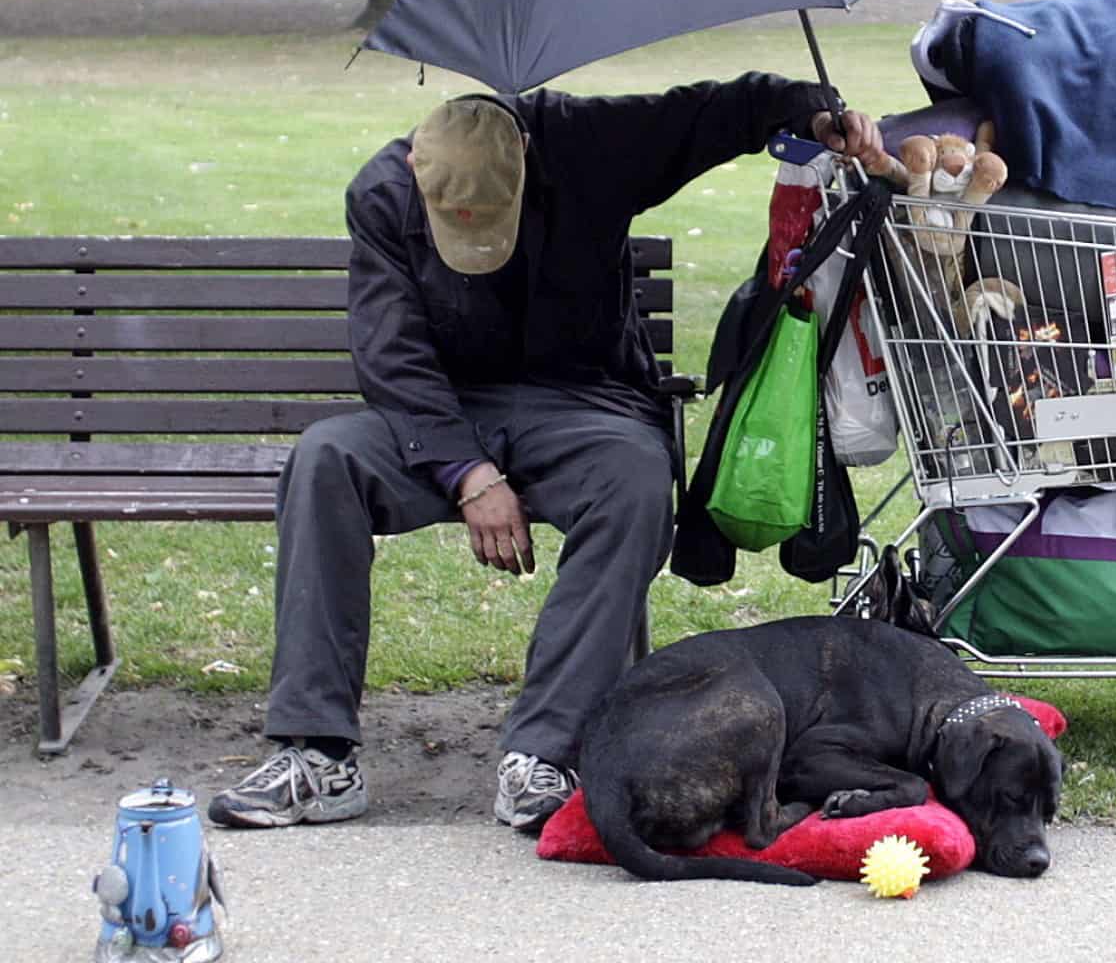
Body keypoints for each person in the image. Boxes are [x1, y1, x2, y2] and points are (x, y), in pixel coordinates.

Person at [208, 74, 884, 834]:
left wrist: (814, 112)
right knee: (324, 458)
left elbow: (714, 112)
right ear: (414, 175)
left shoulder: (588, 142)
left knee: (634, 478)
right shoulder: (380, 193)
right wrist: (468, 473)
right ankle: (316, 754)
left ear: (528, 153)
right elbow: (392, 356)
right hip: (447, 411)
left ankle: (545, 753)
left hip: (583, 405)